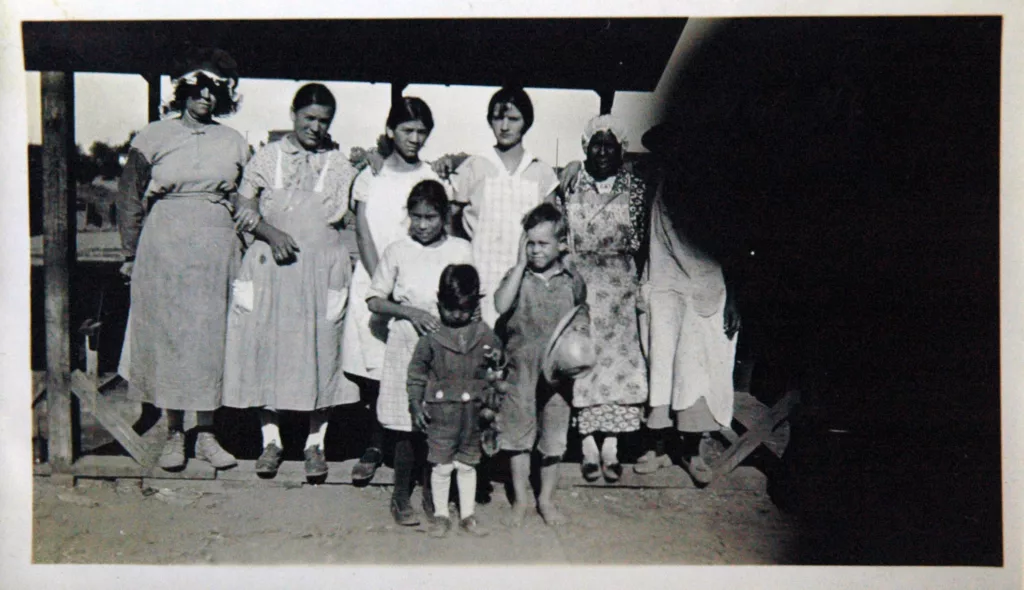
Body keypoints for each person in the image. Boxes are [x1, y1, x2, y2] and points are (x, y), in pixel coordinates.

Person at [116, 48, 249, 471]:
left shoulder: (233, 141)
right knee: (171, 337)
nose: (206, 98)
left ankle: (207, 434)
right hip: (165, 246)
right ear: (183, 91)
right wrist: (130, 254)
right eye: (198, 89)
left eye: (214, 91)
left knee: (210, 338)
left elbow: (247, 198)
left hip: (216, 248)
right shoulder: (152, 136)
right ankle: (175, 434)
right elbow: (129, 199)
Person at [221, 83, 358, 481]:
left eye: (324, 121)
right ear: (293, 115)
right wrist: (269, 231)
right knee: (268, 349)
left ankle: (316, 442)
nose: (316, 127)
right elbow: (242, 205)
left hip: (320, 271)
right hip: (270, 268)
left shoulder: (341, 165)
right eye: (309, 118)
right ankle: (271, 440)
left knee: (321, 351)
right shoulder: (267, 157)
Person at [341, 97, 448, 484]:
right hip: (375, 282)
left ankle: (409, 443)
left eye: (422, 131)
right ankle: (373, 444)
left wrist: (410, 287)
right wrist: (382, 284)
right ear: (391, 130)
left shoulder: (433, 176)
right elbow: (364, 232)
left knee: (409, 363)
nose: (414, 138)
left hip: (414, 287)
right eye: (407, 130)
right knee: (375, 367)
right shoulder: (371, 175)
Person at [633, 122, 742, 484]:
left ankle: (693, 452)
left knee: (696, 370)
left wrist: (734, 297)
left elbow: (733, 247)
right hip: (664, 286)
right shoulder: (655, 186)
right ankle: (660, 448)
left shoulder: (716, 190)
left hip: (704, 287)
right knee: (660, 365)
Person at [366, 180, 473, 526]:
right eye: (416, 217)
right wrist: (410, 313)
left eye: (430, 217)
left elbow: (474, 299)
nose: (423, 224)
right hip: (406, 344)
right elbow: (375, 299)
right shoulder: (398, 250)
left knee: (439, 423)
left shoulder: (460, 249)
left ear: (444, 216)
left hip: (446, 347)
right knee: (405, 423)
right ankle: (400, 496)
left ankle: (431, 493)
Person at [556, 115, 649, 482]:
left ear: (621, 149)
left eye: (610, 144)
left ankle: (611, 445)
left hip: (621, 289)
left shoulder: (636, 187)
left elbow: (640, 240)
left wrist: (635, 284)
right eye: (596, 143)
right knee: (584, 362)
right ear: (585, 147)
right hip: (582, 287)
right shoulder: (571, 183)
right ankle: (587, 447)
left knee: (619, 365)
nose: (603, 151)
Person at [493, 203, 586, 527]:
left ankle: (546, 499)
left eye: (542, 243)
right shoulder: (519, 276)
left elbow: (580, 313)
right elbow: (501, 304)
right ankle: (522, 498)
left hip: (557, 376)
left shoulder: (570, 278)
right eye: (530, 242)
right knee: (517, 436)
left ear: (561, 244)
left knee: (554, 439)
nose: (535, 250)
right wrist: (519, 265)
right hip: (521, 370)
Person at [447, 86, 560, 327]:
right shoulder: (473, 167)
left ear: (526, 122)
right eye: (499, 118)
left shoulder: (541, 172)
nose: (505, 127)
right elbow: (454, 227)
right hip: (481, 274)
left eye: (513, 119)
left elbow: (552, 232)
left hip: (527, 276)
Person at [407, 264, 500, 538]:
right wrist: (415, 403)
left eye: (464, 309)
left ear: (475, 305)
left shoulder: (484, 333)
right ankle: (440, 514)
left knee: (467, 464)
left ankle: (468, 514)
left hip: (472, 415)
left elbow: (498, 359)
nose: (457, 315)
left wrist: (497, 359)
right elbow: (416, 373)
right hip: (441, 416)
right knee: (442, 466)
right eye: (450, 308)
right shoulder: (431, 338)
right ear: (439, 302)